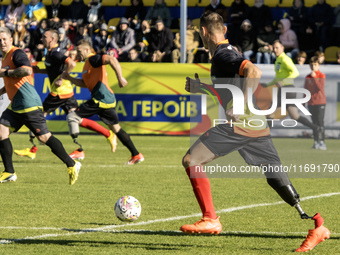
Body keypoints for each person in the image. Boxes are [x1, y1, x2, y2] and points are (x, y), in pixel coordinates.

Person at [180, 12, 330, 252]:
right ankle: (316, 223)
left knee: (191, 159)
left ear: (203, 33)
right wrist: (202, 88)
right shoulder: (229, 52)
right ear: (225, 30)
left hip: (241, 126)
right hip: (257, 126)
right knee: (276, 178)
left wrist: (239, 107)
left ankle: (211, 219)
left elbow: (254, 72)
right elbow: (229, 90)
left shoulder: (222, 54)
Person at [13, 29, 117, 161]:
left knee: (36, 115)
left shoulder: (56, 53)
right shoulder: (50, 53)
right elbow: (55, 70)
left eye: (44, 37)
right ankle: (106, 135)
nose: (41, 39)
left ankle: (33, 149)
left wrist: (61, 78)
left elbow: (71, 63)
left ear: (52, 39)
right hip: (66, 92)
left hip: (59, 92)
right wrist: (41, 71)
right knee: (77, 119)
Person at [0, 27, 80, 185]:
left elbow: (26, 71)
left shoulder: (17, 53)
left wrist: (5, 73)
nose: (2, 42)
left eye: (4, 39)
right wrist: (2, 90)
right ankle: (9, 172)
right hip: (16, 104)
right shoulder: (5, 57)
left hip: (28, 103)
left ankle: (72, 164)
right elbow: (12, 80)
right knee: (1, 132)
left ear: (11, 40)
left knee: (44, 137)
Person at [61, 40, 144, 165]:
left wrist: (120, 77)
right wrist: (70, 78)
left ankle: (79, 149)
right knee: (116, 129)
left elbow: (112, 59)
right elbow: (85, 83)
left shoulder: (93, 59)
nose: (77, 53)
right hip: (105, 99)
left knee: (72, 116)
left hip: (101, 98)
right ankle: (136, 154)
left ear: (87, 50)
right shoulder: (86, 65)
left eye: (79, 51)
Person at [262, 40, 320, 141]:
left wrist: (283, 82)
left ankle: (264, 138)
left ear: (282, 48)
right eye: (274, 48)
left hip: (287, 89)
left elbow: (295, 72)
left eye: (277, 48)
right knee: (295, 116)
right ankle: (316, 128)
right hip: (286, 90)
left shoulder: (285, 59)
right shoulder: (278, 60)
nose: (275, 50)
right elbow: (277, 79)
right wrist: (267, 85)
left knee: (270, 112)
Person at [304, 56, 326, 150]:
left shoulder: (321, 76)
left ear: (319, 65)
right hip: (311, 103)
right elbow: (306, 90)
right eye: (312, 65)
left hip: (320, 102)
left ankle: (322, 142)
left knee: (320, 123)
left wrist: (315, 78)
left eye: (315, 65)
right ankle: (316, 141)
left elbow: (320, 88)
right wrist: (303, 103)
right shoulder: (308, 77)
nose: (313, 67)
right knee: (314, 123)